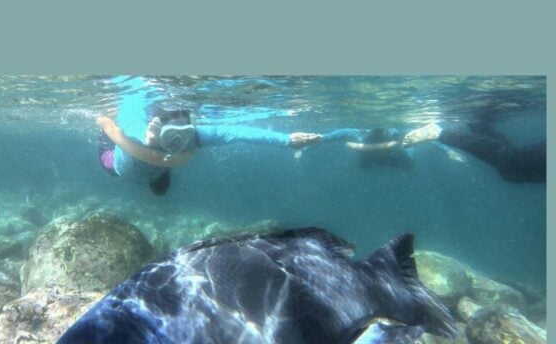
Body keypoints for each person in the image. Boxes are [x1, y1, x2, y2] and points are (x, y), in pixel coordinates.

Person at [96, 76, 322, 196]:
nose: (178, 139)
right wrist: (145, 138)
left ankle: (155, 168)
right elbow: (129, 122)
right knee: (107, 154)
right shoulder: (137, 116)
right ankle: (110, 136)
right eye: (171, 135)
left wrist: (287, 140)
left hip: (154, 171)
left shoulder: (195, 134)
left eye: (181, 134)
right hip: (117, 165)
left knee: (161, 191)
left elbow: (240, 133)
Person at [326, 121, 545, 183]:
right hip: (375, 156)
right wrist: (317, 139)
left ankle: (473, 124)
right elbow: (340, 132)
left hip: (398, 153)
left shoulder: (394, 129)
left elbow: (413, 136)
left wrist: (445, 148)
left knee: (512, 167)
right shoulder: (357, 130)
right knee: (512, 166)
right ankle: (475, 123)